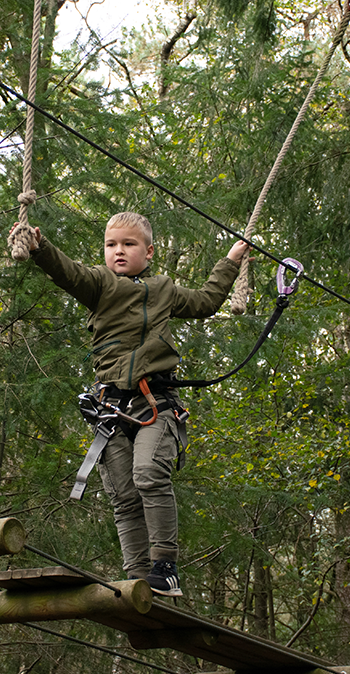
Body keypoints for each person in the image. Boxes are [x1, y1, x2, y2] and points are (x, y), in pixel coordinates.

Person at [14, 211, 249, 597]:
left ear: (149, 251)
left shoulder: (164, 290)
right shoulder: (100, 284)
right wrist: (40, 248)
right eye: (111, 245)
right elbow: (67, 272)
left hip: (156, 403)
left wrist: (231, 261)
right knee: (123, 497)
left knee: (148, 475)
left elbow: (206, 301)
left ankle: (165, 566)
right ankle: (137, 577)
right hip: (111, 408)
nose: (118, 252)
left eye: (128, 244)